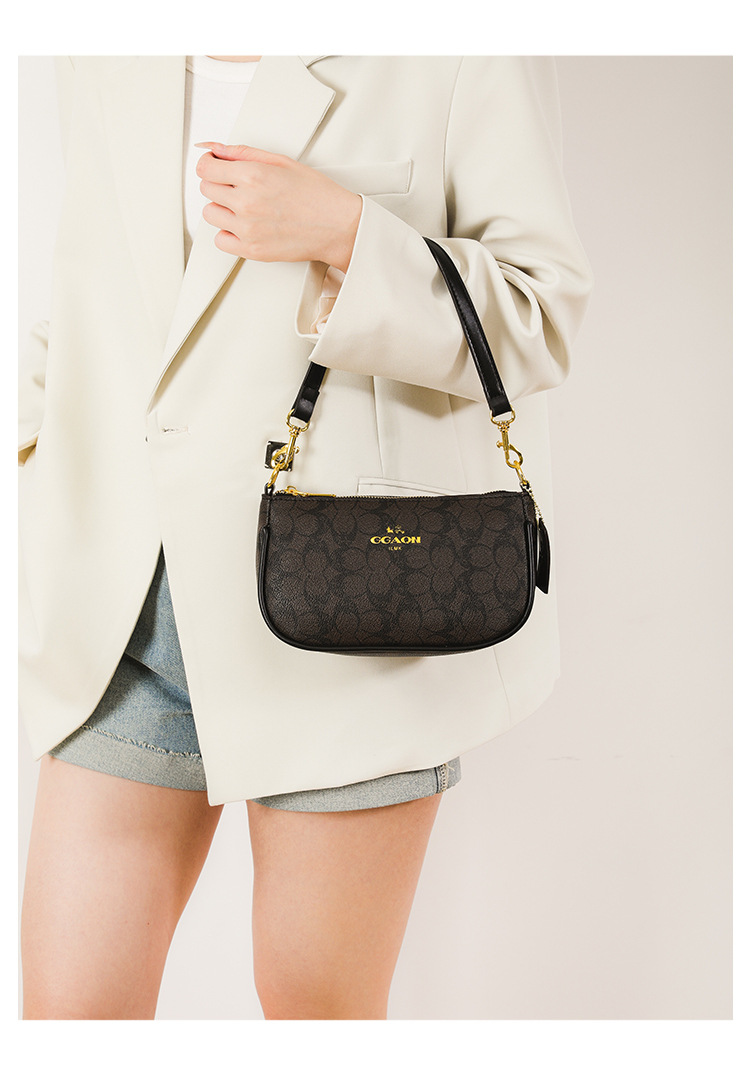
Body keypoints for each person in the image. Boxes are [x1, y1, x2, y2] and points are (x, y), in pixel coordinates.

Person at [18, 55, 593, 1020]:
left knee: (317, 1017)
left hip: (350, 611)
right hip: (124, 611)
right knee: (71, 1016)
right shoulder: (105, 42)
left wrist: (349, 233)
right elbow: (96, 288)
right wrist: (36, 446)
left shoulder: (462, 43)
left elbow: (542, 315)